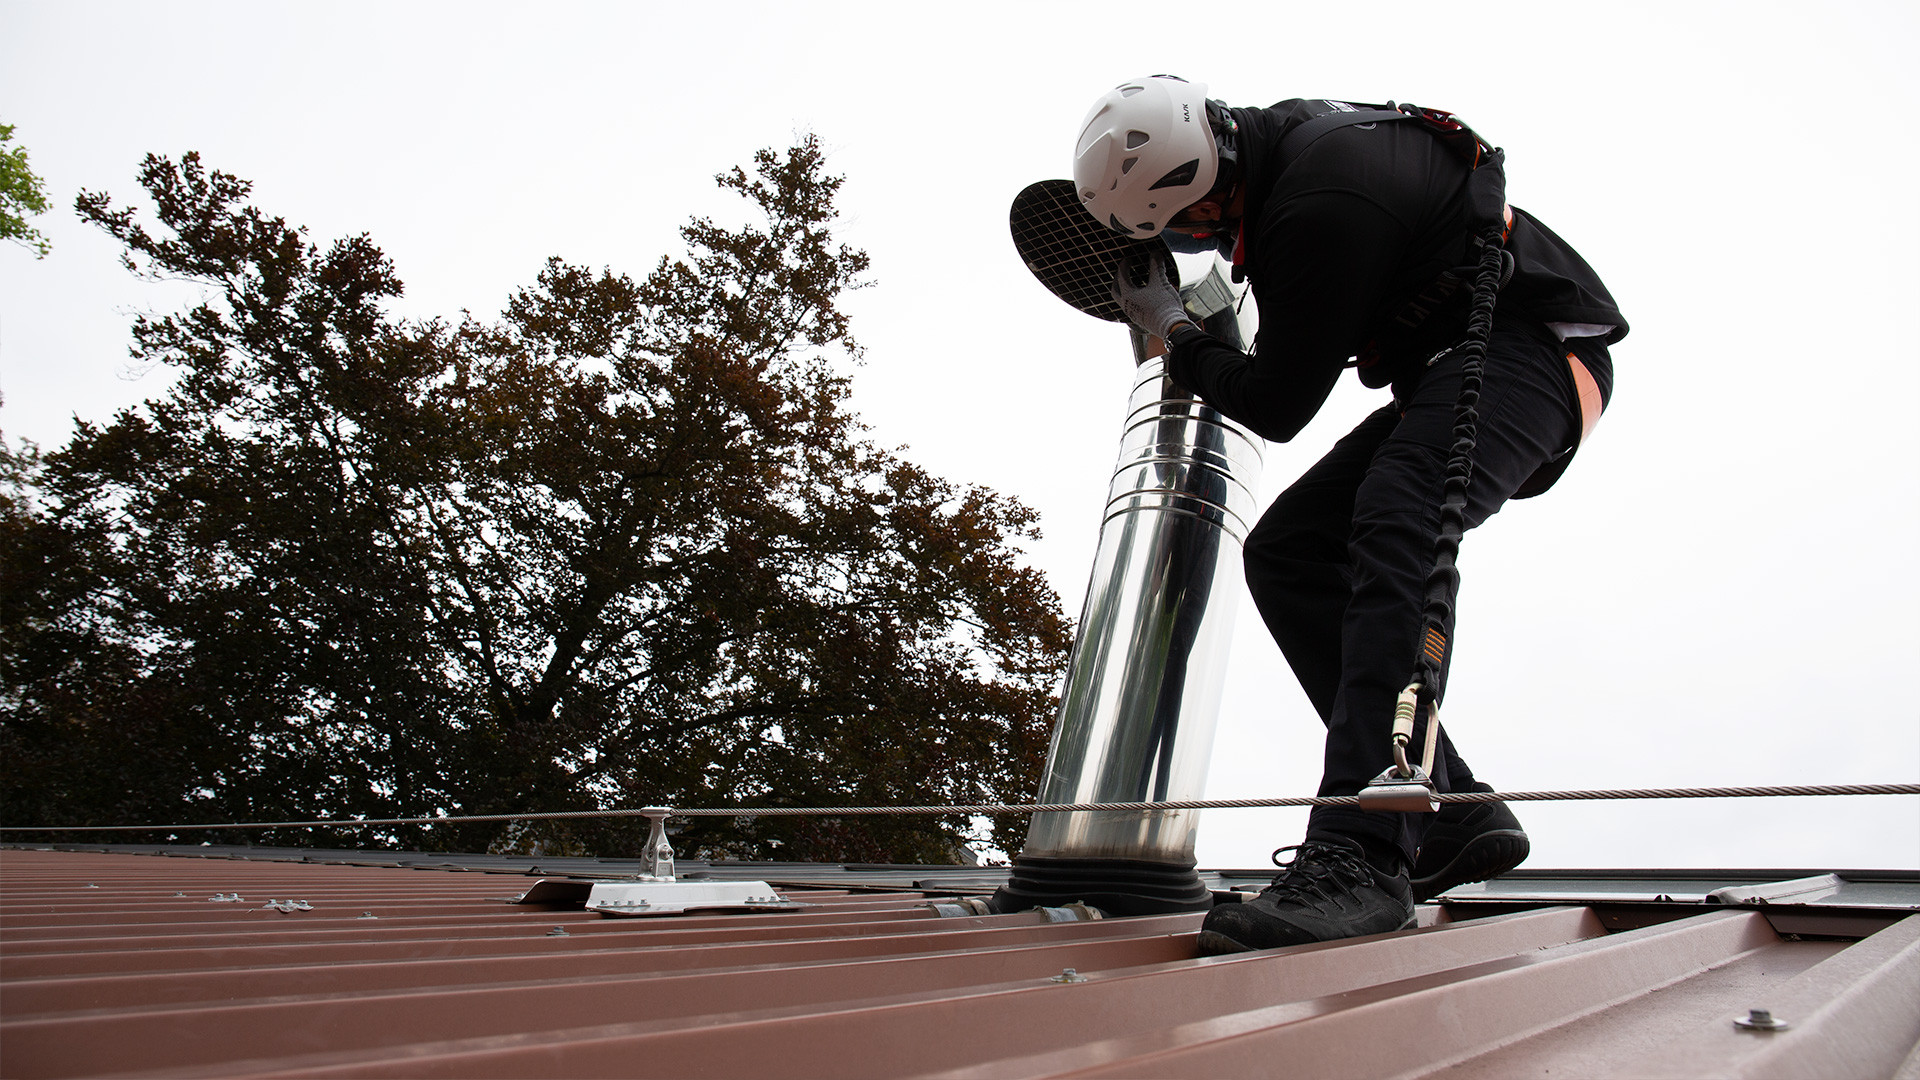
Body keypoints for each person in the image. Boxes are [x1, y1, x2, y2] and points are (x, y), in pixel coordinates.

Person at [1073, 75, 1626, 953]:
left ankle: (1363, 853)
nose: (1196, 240)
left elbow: (1278, 404)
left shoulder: (1320, 200)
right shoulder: (1292, 153)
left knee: (1398, 513)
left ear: (1204, 182)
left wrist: (1175, 332)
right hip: (1457, 366)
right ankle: (1450, 813)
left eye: (1186, 226)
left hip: (1533, 353)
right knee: (1292, 550)